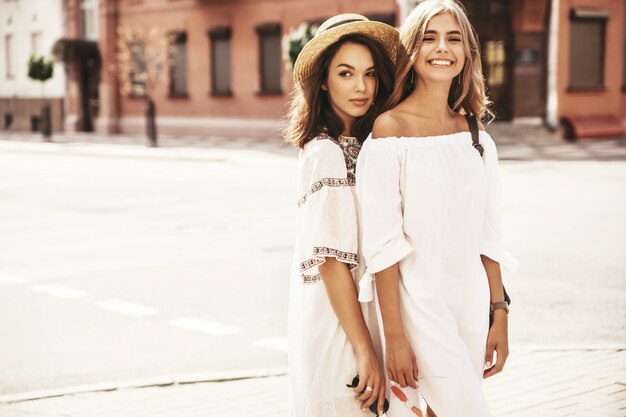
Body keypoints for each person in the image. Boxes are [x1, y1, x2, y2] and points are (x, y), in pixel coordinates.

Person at [355, 1, 517, 416]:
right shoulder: (389, 130)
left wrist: (499, 313)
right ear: (411, 50)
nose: (441, 48)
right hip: (418, 306)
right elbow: (383, 244)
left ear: (466, 54)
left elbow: (489, 233)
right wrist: (395, 336)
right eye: (429, 38)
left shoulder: (476, 135)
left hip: (469, 302)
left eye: (453, 38)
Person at [285, 13, 398, 417]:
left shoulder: (366, 144)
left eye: (369, 73)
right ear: (323, 80)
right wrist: (365, 350)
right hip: (341, 324)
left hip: (364, 312)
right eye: (346, 73)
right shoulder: (325, 151)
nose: (361, 86)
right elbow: (331, 264)